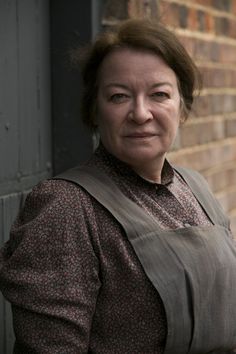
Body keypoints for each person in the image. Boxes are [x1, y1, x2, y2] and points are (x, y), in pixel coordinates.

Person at [0, 18, 236, 354]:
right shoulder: (65, 207)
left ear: (182, 107)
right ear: (95, 110)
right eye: (119, 96)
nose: (140, 113)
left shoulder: (195, 187)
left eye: (159, 94)